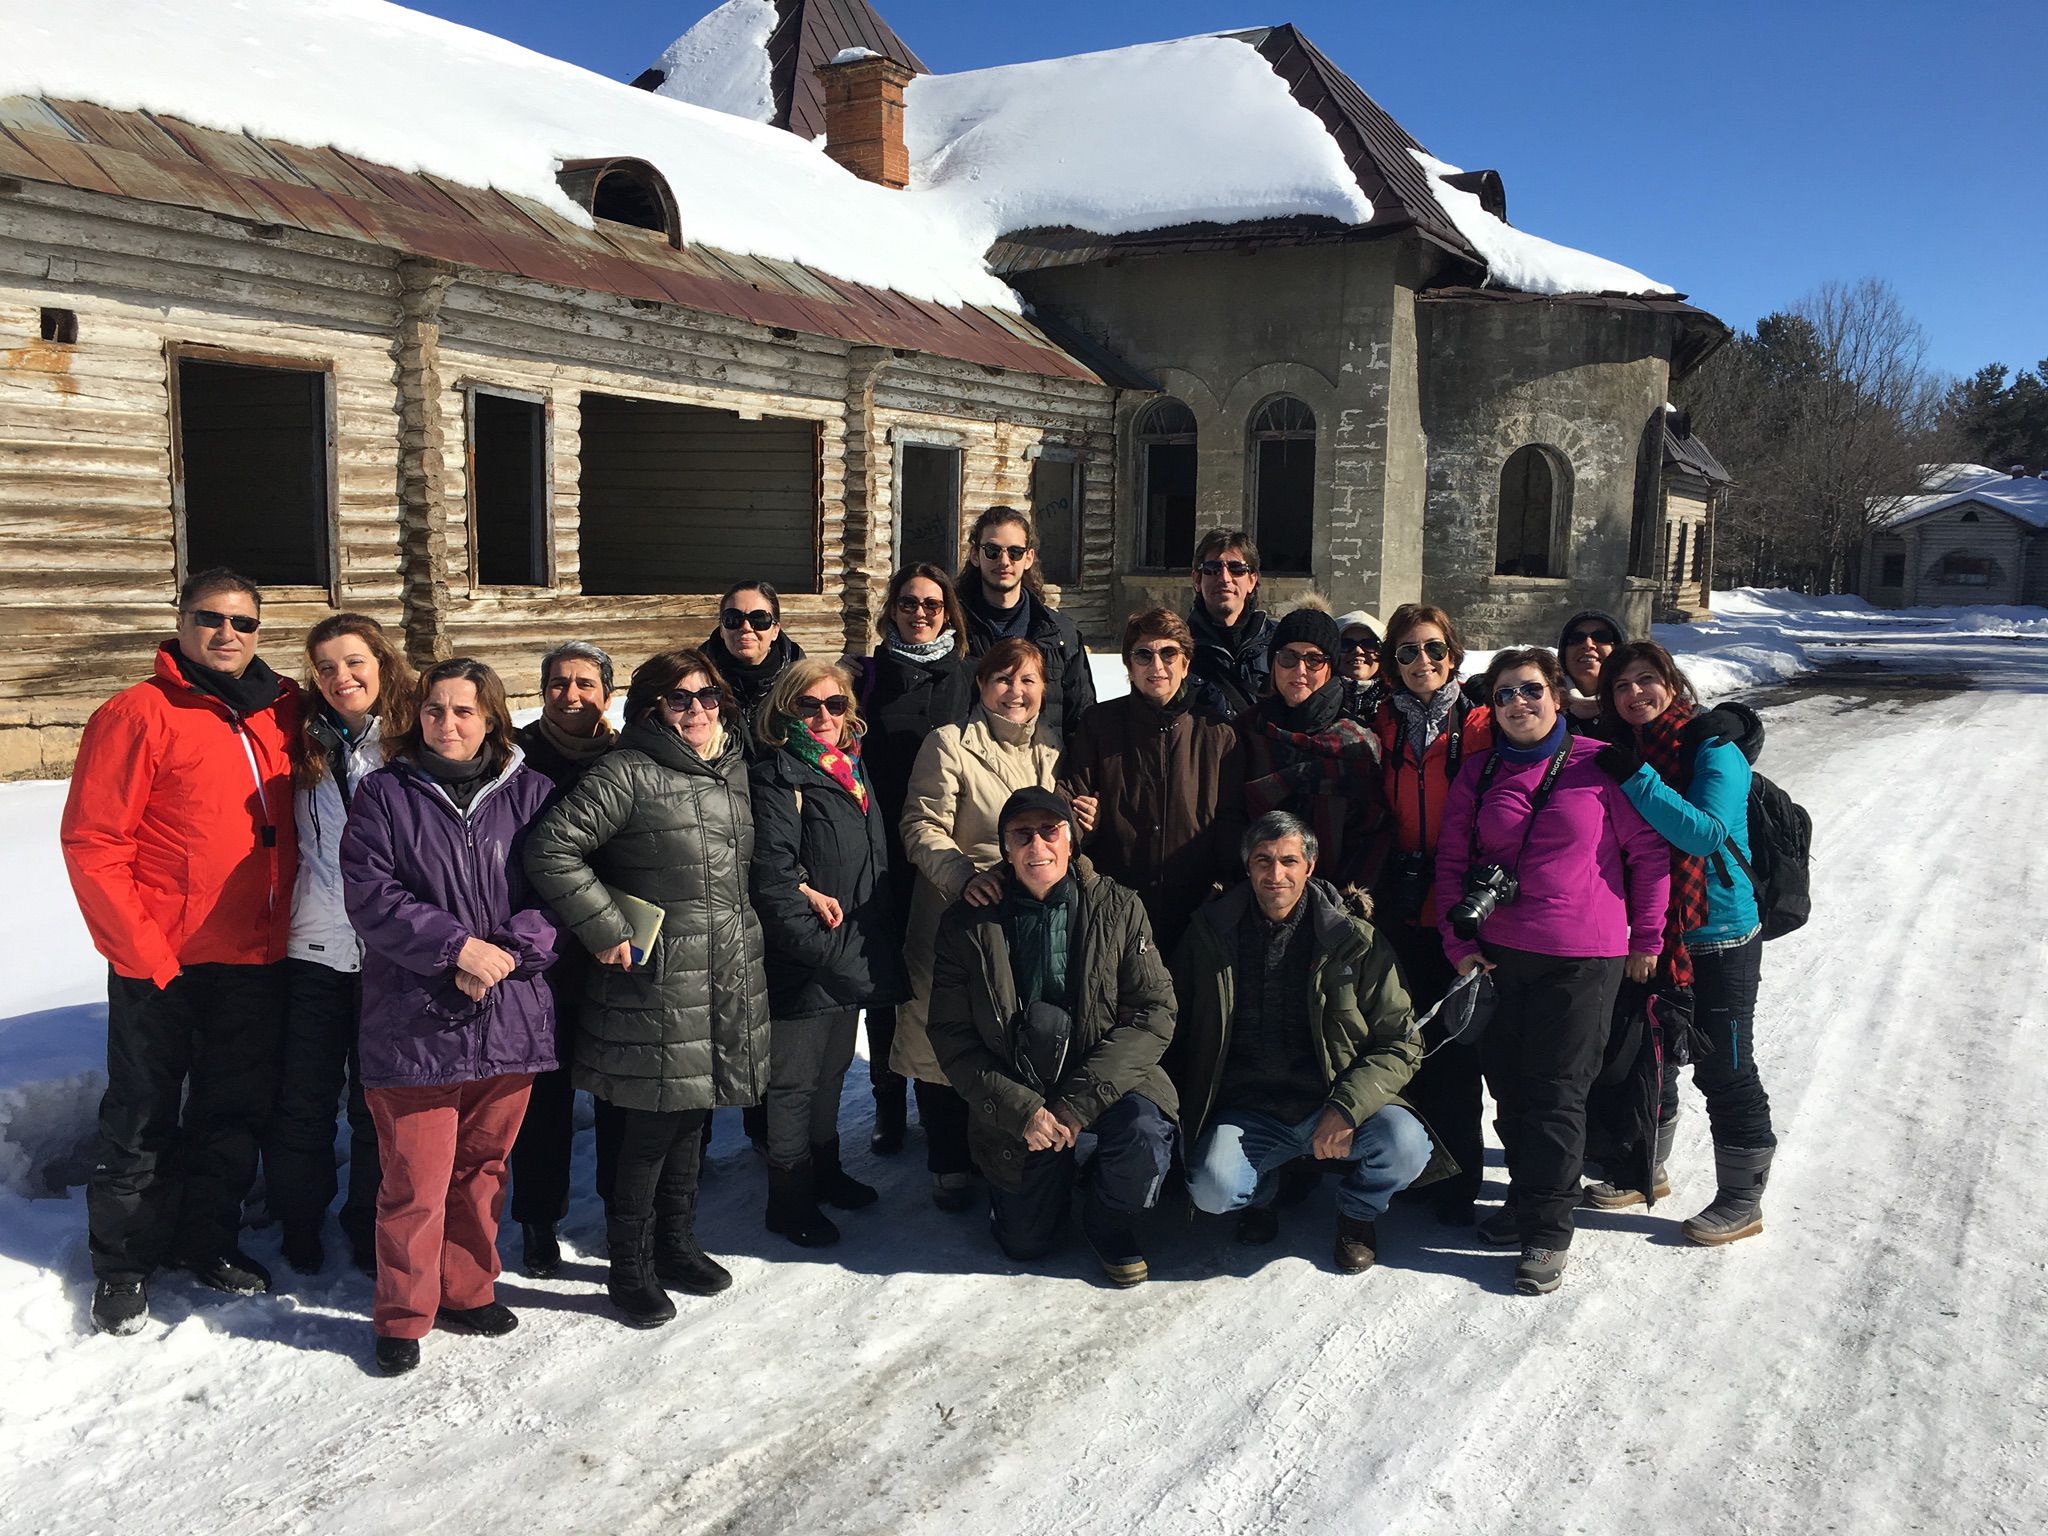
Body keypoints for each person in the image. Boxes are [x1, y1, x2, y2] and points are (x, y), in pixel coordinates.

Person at [62, 568, 302, 1336]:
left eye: (244, 622)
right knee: (142, 1113)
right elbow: (94, 844)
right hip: (161, 957)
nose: (227, 634)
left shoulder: (283, 709)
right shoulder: (139, 712)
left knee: (233, 1111)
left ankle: (209, 1240)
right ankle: (124, 1265)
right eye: (210, 618)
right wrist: (143, 955)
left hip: (257, 956)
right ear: (181, 621)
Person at [524, 650, 770, 1327]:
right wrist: (604, 927)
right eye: (680, 699)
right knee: (649, 1129)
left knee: (694, 1114)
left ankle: (676, 1243)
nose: (697, 709)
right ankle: (628, 1266)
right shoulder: (627, 771)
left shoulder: (729, 770)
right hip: (656, 975)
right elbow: (550, 849)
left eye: (708, 697)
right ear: (653, 707)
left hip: (722, 969)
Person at [340, 658, 557, 1374]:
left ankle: (468, 1288)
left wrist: (508, 953)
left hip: (509, 1013)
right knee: (414, 1180)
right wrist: (457, 948)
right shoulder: (384, 795)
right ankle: (404, 1313)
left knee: (484, 1169)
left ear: (492, 717)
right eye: (436, 710)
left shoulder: (533, 795)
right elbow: (372, 899)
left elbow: (560, 888)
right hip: (415, 1019)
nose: (449, 724)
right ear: (417, 716)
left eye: (465, 711)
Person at [1433, 648, 1669, 1296]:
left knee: (1557, 1093)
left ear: (1558, 698)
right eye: (1505, 694)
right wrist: (1460, 947)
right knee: (1508, 1088)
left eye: (1531, 690)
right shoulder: (1479, 774)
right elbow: (1451, 863)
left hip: (1584, 958)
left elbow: (1649, 856)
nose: (1518, 704)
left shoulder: (1599, 766)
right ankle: (1527, 1199)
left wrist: (1646, 937)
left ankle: (1549, 1230)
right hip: (1502, 955)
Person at [1173, 812, 1442, 1274]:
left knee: (1407, 1145)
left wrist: (1347, 1107)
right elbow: (1170, 1018)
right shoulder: (1209, 935)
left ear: (1309, 867)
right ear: (1248, 867)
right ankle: (1264, 1191)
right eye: (1263, 861)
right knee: (1214, 1190)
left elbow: (1401, 1041)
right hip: (1247, 1108)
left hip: (1330, 1100)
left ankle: (1358, 1214)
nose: (1275, 874)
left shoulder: (1354, 941)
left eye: (1288, 861)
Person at [927, 788, 1177, 1283]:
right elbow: (951, 1035)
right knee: (1025, 1244)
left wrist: (1076, 1106)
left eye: (1051, 830)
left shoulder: (1119, 906)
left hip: (1105, 1075)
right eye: (1022, 834)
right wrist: (1022, 1111)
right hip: (1022, 1082)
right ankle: (1045, 1182)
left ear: (1071, 840)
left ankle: (1108, 1217)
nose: (1037, 844)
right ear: (1005, 848)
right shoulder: (968, 925)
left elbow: (1155, 1011)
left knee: (1145, 1136)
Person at [1591, 642, 1777, 1245]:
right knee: (1653, 1056)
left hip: (1719, 932)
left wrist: (1633, 775)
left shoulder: (1713, 749)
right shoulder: (1636, 746)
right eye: (1622, 686)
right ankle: (1648, 1167)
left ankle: (1742, 1199)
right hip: (1652, 931)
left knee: (1724, 1066)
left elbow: (1699, 834)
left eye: (1647, 680)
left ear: (1672, 683)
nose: (1635, 694)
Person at [268, 613, 415, 1279]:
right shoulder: (304, 743)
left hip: (389, 958)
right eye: (325, 667)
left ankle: (365, 1222)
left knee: (374, 1105)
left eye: (354, 662)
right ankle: (299, 1222)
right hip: (316, 950)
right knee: (303, 1100)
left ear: (381, 663)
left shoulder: (414, 742)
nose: (340, 677)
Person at [896, 636, 1062, 1211]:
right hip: (956, 912)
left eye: (1028, 681)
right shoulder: (950, 744)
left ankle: (996, 1149)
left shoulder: (1050, 749)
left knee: (1003, 1035)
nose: (1016, 692)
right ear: (981, 684)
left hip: (1020, 922)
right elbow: (920, 825)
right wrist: (964, 875)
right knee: (942, 1034)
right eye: (1003, 679)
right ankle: (947, 1160)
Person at [749, 659, 908, 1247]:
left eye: (835, 705)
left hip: (849, 956)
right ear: (785, 711)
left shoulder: (853, 771)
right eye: (808, 706)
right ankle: (786, 1197)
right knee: (792, 1083)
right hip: (806, 958)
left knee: (835, 1071)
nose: (823, 717)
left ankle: (825, 1169)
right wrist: (818, 948)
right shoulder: (777, 777)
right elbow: (772, 877)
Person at [1367, 603, 1493, 1225]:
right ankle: (1412, 1169)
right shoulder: (1380, 721)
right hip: (1399, 901)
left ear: (1454, 656)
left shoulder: (1480, 722)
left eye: (1435, 650)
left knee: (1457, 1048)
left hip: (1460, 903)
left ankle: (1458, 1182)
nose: (1423, 662)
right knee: (1402, 1038)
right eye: (1409, 651)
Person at [849, 564, 976, 1155]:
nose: (919, 613)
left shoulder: (972, 678)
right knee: (887, 982)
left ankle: (949, 1096)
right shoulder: (867, 678)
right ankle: (888, 1101)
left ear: (950, 611)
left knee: (946, 977)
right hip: (882, 854)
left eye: (931, 604)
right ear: (890, 610)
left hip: (952, 851)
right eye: (907, 603)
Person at [508, 640, 617, 1280]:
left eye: (584, 683)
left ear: (606, 693)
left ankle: (617, 1214)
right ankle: (537, 1223)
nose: (570, 694)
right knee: (542, 1102)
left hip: (612, 951)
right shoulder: (515, 757)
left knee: (612, 1095)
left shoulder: (623, 757)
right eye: (557, 683)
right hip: (539, 955)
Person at [1059, 608, 1245, 955]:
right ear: (1129, 665)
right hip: (1115, 907)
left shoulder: (1218, 734)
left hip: (1196, 911)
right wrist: (1086, 826)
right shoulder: (1100, 725)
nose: (1156, 666)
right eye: (1144, 654)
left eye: (1168, 653)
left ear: (1186, 663)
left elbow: (1232, 821)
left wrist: (1224, 889)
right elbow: (1072, 801)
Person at [1240, 602, 1386, 891]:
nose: (1300, 669)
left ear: (1330, 667)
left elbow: (1373, 834)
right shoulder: (1244, 733)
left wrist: (1340, 902)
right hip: (1255, 895)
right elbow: (1228, 822)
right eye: (1288, 658)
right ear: (1272, 664)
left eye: (1314, 659)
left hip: (1337, 903)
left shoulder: (1356, 743)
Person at [956, 505, 1095, 746]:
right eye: (992, 551)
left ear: (1028, 558)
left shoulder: (1060, 632)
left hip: (1044, 769)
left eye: (1015, 552)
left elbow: (1082, 719)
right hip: (972, 770)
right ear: (975, 555)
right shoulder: (953, 627)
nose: (1004, 561)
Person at [704, 580, 806, 759]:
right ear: (721, 628)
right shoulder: (697, 682)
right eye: (732, 619)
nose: (745, 627)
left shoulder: (800, 681)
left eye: (759, 619)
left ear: (775, 630)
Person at [1186, 529, 1276, 720]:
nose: (1225, 578)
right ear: (1197, 579)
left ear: (1252, 580)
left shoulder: (1279, 643)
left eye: (1236, 569)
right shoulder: (1177, 648)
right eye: (1213, 568)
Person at [1558, 609, 1629, 741]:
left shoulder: (1637, 709)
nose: (1588, 644)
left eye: (1602, 636)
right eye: (1576, 638)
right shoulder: (1547, 710)